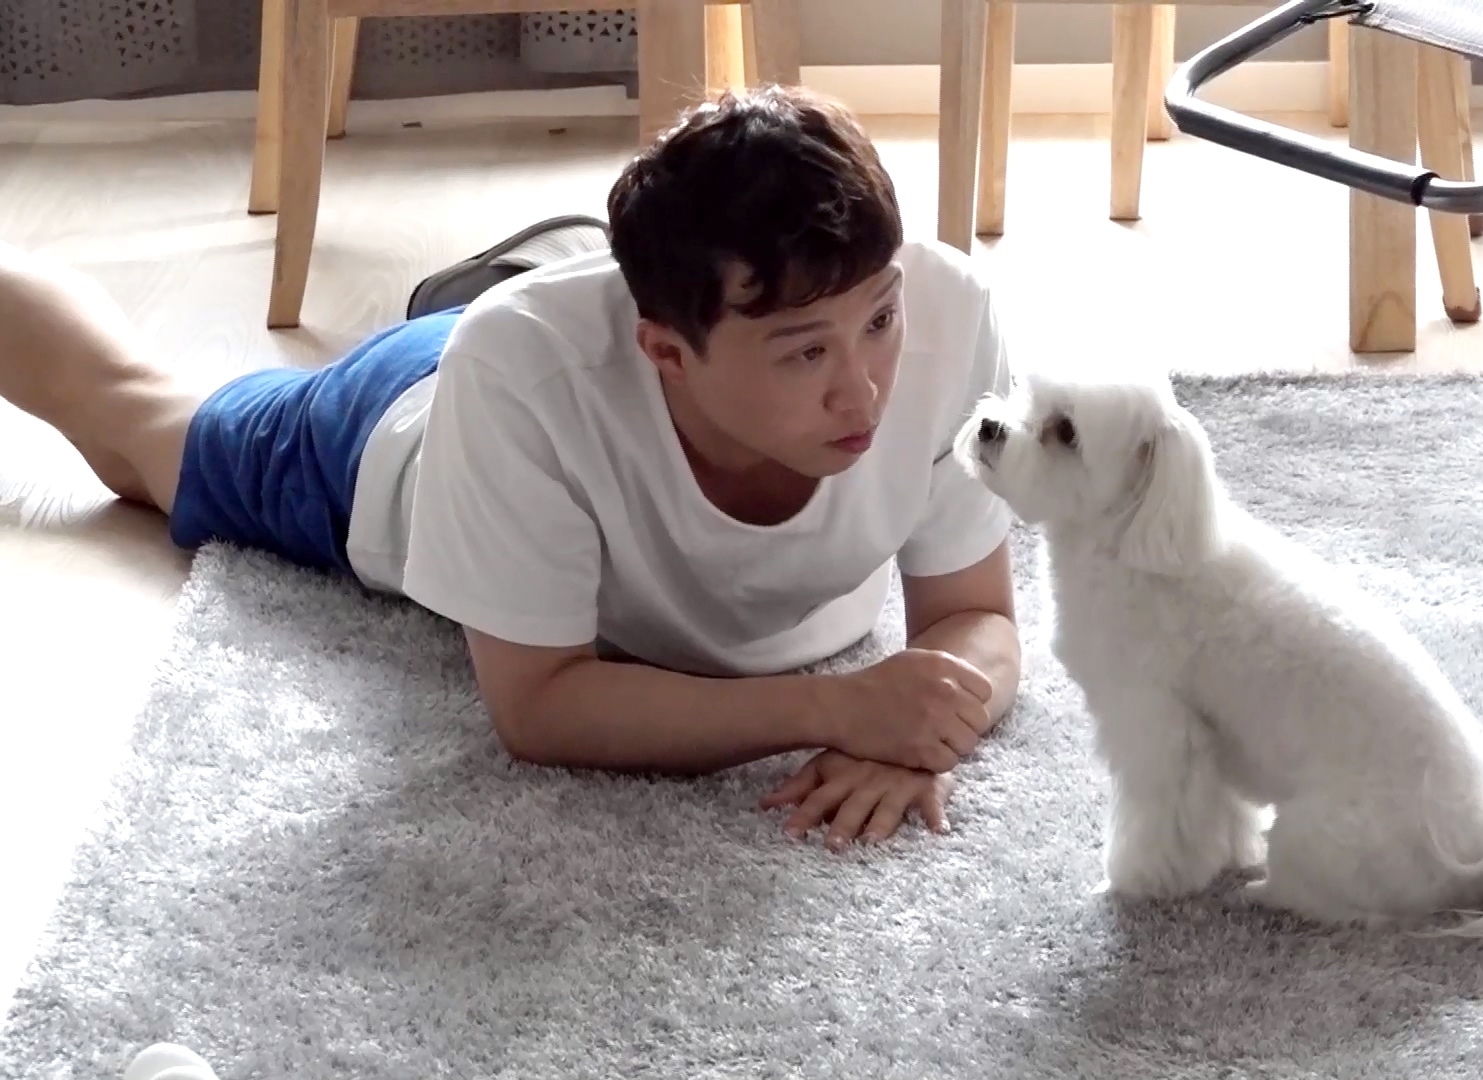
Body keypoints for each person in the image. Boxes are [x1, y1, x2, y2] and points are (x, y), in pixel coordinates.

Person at [0, 85, 1023, 852]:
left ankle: (555, 260)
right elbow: (539, 705)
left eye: (879, 321)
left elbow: (976, 616)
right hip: (412, 419)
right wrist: (833, 709)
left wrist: (925, 725)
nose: (864, 393)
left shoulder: (947, 313)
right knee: (136, 425)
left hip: (569, 339)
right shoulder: (518, 374)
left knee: (556, 323)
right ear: (666, 351)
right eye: (806, 353)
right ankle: (516, 282)